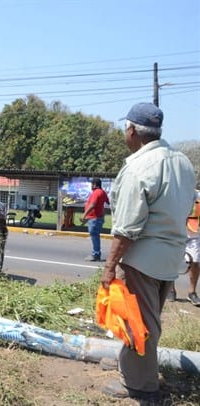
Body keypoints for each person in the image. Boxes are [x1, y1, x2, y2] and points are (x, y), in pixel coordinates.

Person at [100, 103, 196, 402]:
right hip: (170, 257)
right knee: (147, 319)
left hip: (143, 259)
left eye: (124, 129)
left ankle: (142, 387)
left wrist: (110, 266)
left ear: (132, 130)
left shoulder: (139, 167)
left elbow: (126, 227)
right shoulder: (182, 162)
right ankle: (131, 367)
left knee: (139, 323)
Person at [170, 190, 200, 305]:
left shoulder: (198, 196)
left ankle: (192, 293)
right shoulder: (175, 192)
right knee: (172, 260)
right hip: (176, 231)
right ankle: (171, 289)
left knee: (196, 261)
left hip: (194, 233)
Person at [81, 178, 110, 261]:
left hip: (95, 218)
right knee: (95, 236)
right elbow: (106, 203)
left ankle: (96, 254)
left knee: (95, 236)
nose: (91, 186)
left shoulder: (96, 192)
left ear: (94, 185)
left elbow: (92, 205)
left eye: (92, 185)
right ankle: (96, 253)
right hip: (96, 218)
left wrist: (84, 215)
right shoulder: (103, 192)